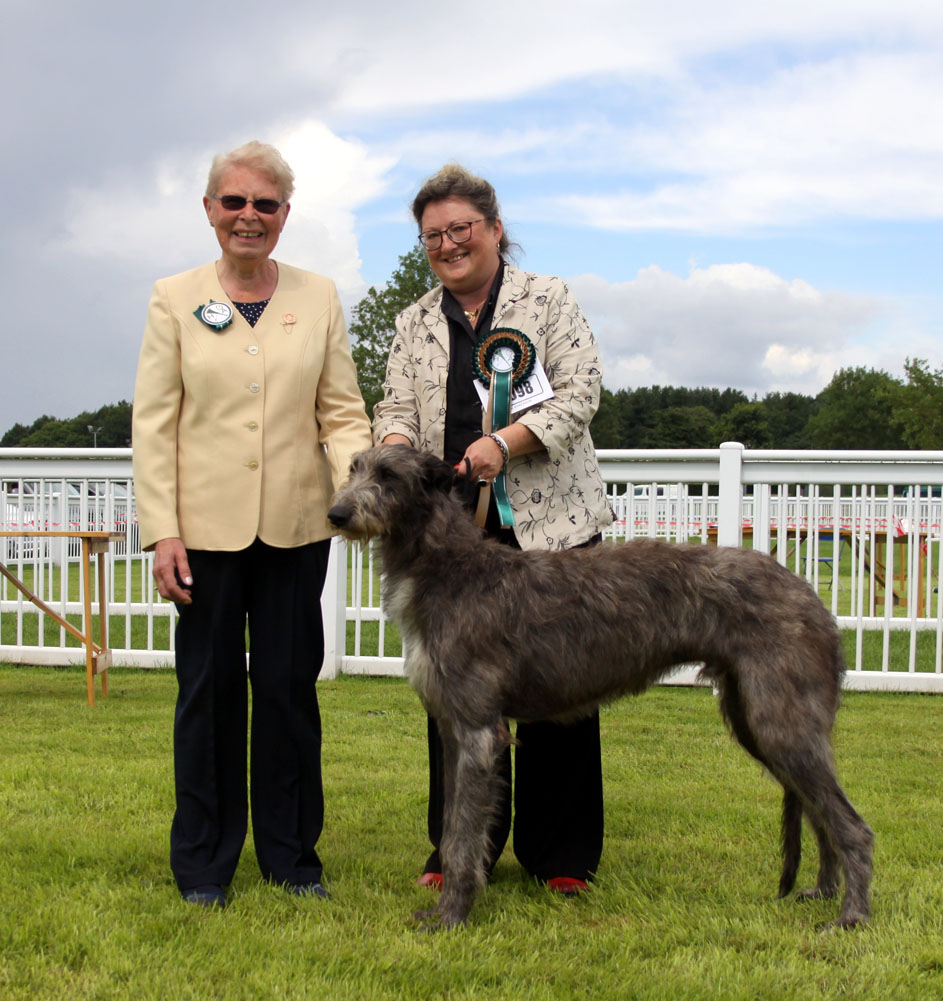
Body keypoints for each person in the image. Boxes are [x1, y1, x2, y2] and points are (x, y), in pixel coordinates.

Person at [132, 141, 372, 908]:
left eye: (265, 205)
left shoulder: (320, 296)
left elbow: (341, 413)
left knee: (287, 692)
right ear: (210, 210)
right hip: (201, 533)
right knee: (205, 694)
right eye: (234, 202)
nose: (248, 217)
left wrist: (361, 492)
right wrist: (161, 530)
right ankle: (203, 864)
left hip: (298, 528)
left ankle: (293, 856)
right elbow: (155, 424)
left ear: (285, 216)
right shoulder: (174, 297)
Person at [373, 163, 614, 894]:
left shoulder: (547, 298)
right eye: (433, 235)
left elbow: (580, 394)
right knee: (453, 697)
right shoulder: (414, 321)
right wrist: (395, 446)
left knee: (564, 690)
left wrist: (505, 442)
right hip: (449, 540)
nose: (448, 244)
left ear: (495, 229)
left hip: (552, 528)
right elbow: (395, 405)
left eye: (461, 229)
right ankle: (456, 848)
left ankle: (562, 855)